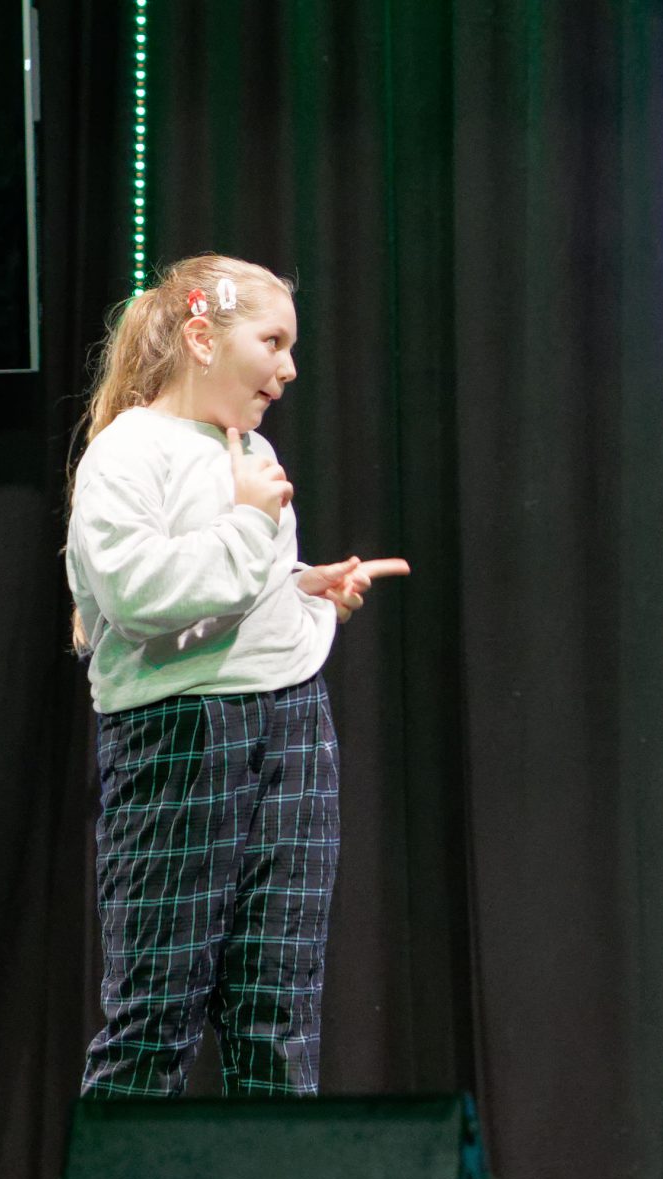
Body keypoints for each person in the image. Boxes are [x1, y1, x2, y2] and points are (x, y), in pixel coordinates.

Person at [66, 253, 404, 1099]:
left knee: (277, 1014)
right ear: (201, 337)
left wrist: (302, 588)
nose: (288, 369)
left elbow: (232, 587)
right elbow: (141, 597)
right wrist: (253, 524)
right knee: (154, 1015)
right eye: (273, 342)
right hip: (180, 734)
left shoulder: (249, 447)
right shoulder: (127, 453)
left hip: (291, 726)